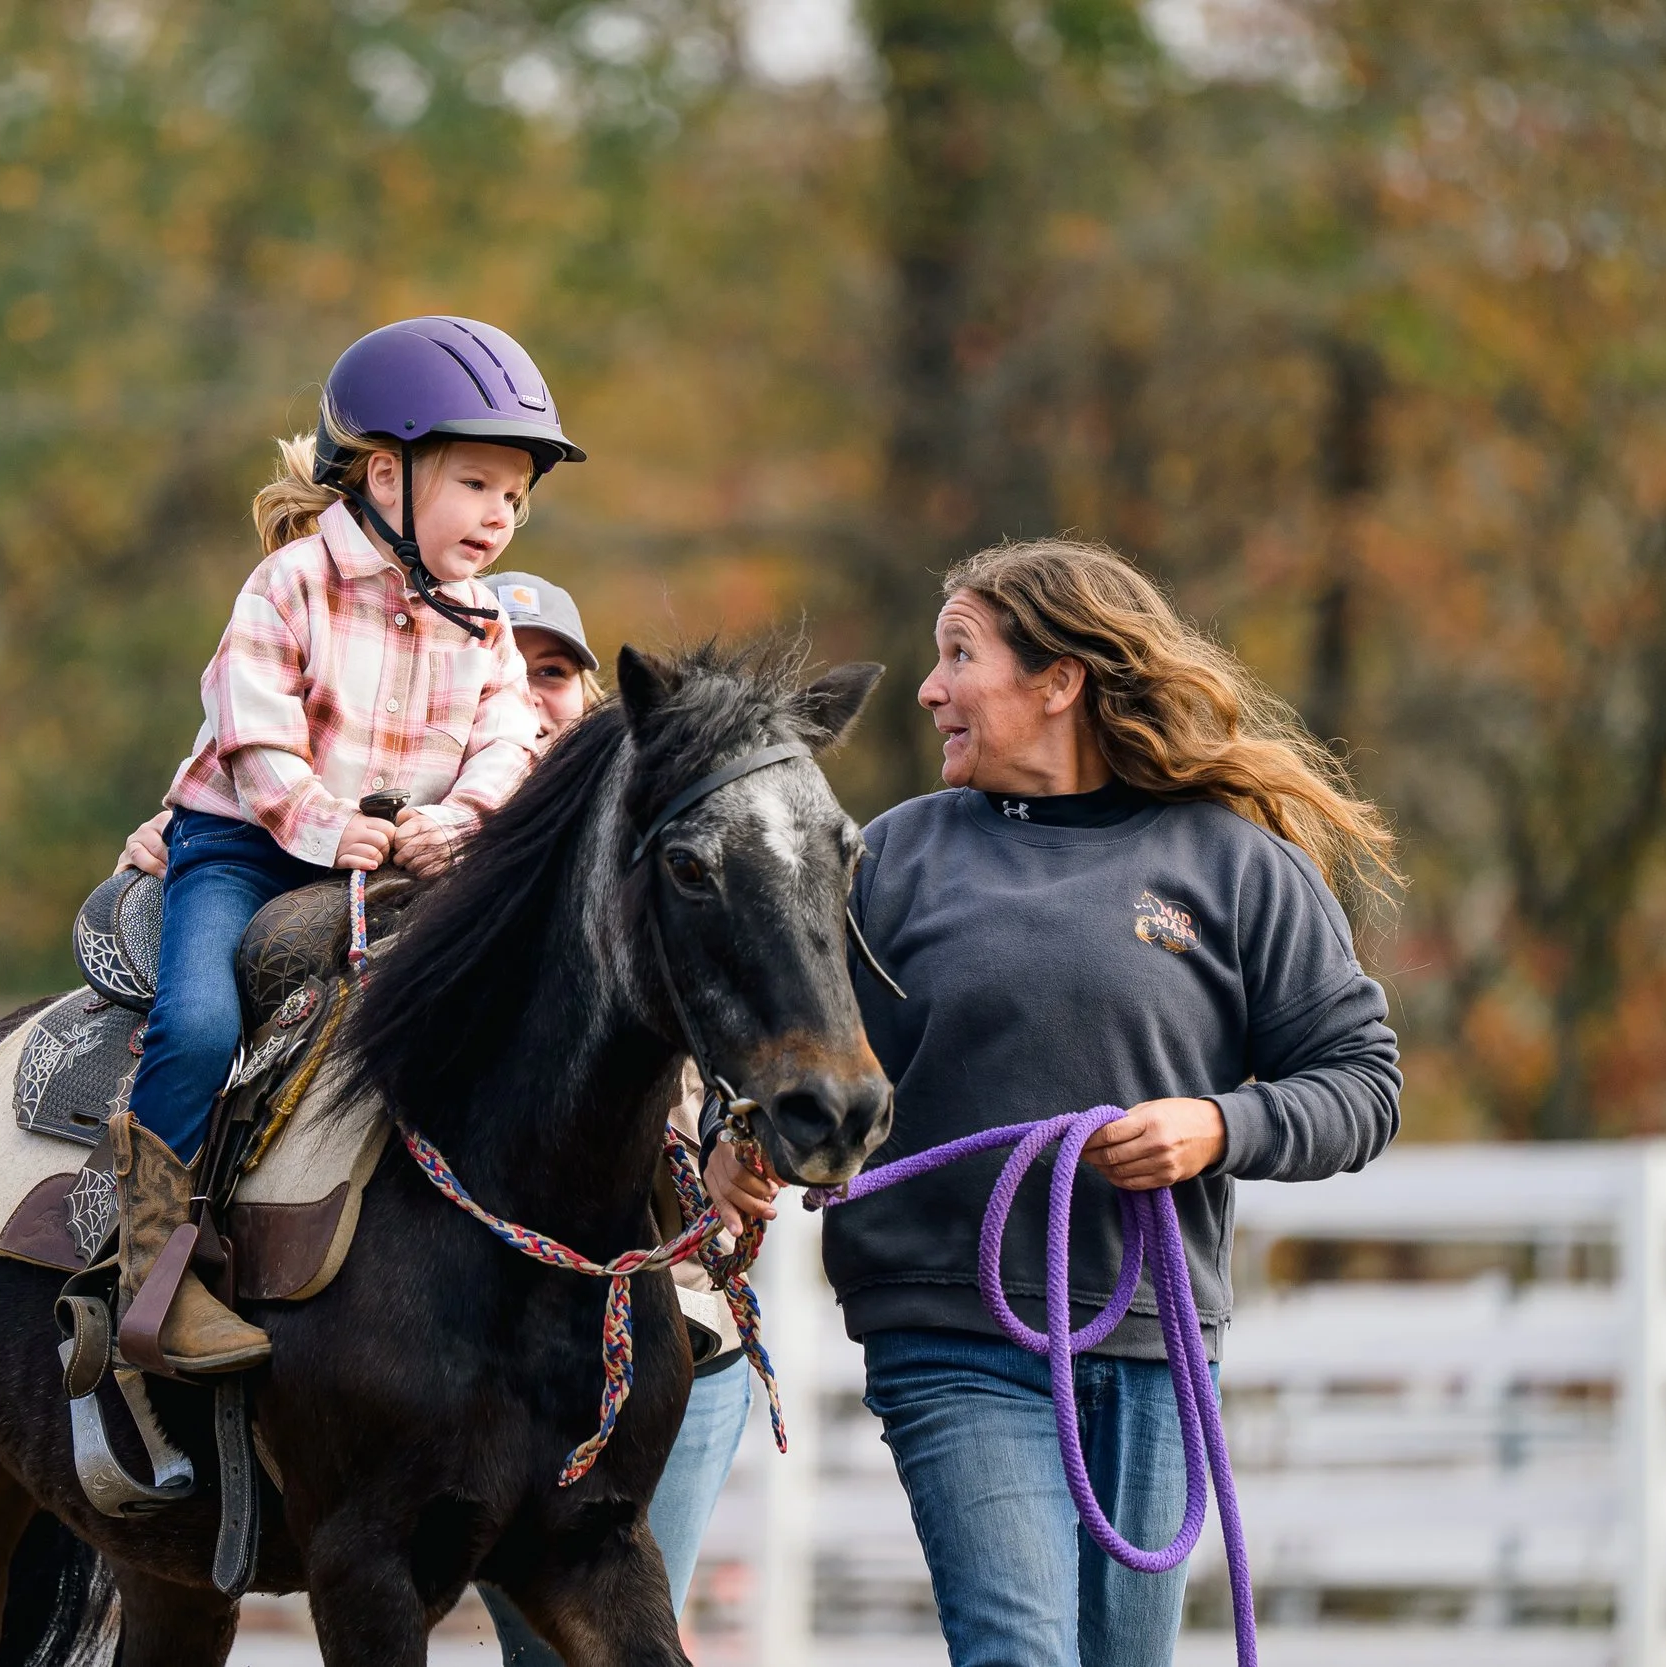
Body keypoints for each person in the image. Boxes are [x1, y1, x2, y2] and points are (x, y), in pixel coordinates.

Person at [706, 539, 1404, 1667]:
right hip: (950, 1328)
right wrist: (745, 1143)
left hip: (1152, 1334)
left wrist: (1218, 1125)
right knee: (1018, 1650)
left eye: (958, 655)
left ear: (1058, 679)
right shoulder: (888, 859)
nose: (927, 687)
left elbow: (1361, 1083)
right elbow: (799, 1063)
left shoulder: (1235, 865)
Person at [116, 573, 753, 1658]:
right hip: (471, 1336)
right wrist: (233, 826)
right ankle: (152, 1263)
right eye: (523, 673)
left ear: (596, 698)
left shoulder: (646, 846)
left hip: (632, 1328)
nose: (540, 698)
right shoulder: (476, 846)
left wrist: (737, 1144)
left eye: (561, 673)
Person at [116, 316, 579, 1375]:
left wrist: (453, 821)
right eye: (475, 484)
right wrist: (334, 827)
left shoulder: (483, 622)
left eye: (515, 495)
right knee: (195, 1025)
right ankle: (144, 1264)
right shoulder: (286, 587)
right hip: (249, 847)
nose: (499, 515)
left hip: (403, 861)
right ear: (386, 470)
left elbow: (507, 739)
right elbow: (254, 741)